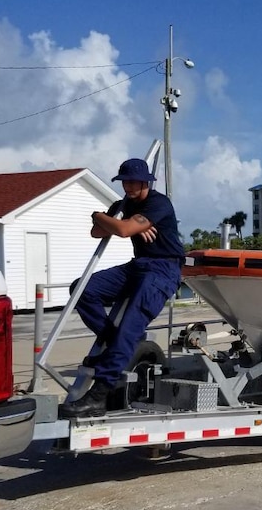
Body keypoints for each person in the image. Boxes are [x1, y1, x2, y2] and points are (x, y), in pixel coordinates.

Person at [59, 157, 185, 418]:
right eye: (124, 181)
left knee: (130, 324)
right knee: (82, 289)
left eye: (133, 182)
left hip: (163, 269)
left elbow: (123, 229)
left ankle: (99, 395)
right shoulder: (123, 205)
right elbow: (97, 231)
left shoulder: (158, 203)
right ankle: (113, 340)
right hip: (137, 266)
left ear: (145, 182)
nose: (128, 187)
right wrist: (102, 218)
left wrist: (121, 226)